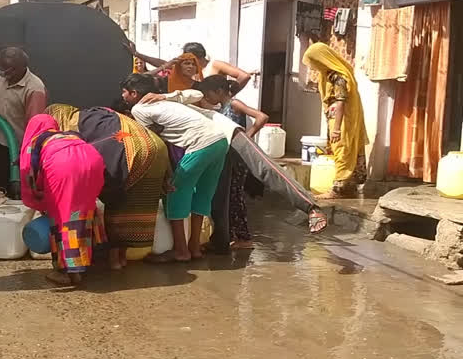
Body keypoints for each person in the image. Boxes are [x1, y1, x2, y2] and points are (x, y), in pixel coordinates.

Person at [141, 86, 328, 242]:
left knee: (265, 169)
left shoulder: (166, 104)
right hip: (211, 144)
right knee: (219, 196)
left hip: (228, 133)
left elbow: (196, 94)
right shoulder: (159, 116)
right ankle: (220, 243)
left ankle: (311, 207)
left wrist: (167, 95)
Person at [46, 103, 170, 270]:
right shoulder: (97, 115)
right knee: (132, 204)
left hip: (131, 150)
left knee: (115, 201)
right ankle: (122, 257)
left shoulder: (73, 123)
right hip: (156, 146)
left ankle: (114, 260)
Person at [121, 74, 228, 262]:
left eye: (124, 92)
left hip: (201, 144)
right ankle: (194, 247)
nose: (123, 96)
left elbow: (155, 144)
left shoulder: (139, 109)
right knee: (202, 195)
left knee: (175, 192)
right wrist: (167, 96)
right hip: (220, 141)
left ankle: (180, 251)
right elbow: (196, 93)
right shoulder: (169, 102)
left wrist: (166, 175)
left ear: (134, 93)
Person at [20, 114, 107, 285]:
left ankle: (67, 272)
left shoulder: (35, 141)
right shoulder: (69, 134)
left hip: (63, 164)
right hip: (93, 161)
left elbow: (29, 172)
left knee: (62, 217)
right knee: (85, 211)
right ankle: (94, 260)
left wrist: (40, 201)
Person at [197, 75, 269, 247]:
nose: (207, 98)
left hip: (237, 156)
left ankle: (243, 238)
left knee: (235, 195)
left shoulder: (234, 104)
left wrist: (247, 138)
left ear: (219, 91)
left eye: (208, 94)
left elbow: (262, 117)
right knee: (228, 195)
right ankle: (230, 235)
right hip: (228, 155)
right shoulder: (221, 109)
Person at [302, 42, 368, 199]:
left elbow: (340, 102)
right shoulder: (328, 75)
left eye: (314, 62)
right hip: (335, 118)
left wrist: (337, 128)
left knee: (342, 149)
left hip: (342, 119)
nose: (313, 66)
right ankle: (349, 188)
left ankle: (337, 190)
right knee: (340, 149)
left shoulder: (338, 77)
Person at [0, 47, 47, 195]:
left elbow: (34, 126)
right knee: (4, 185)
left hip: (22, 147)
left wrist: (27, 156)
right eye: (1, 69)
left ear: (22, 67)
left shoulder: (34, 88)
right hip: (4, 142)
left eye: (8, 71)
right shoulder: (2, 74)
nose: (3, 75)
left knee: (22, 190)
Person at [130, 40, 255, 93]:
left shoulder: (215, 65)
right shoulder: (191, 69)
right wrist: (137, 54)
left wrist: (228, 95)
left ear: (198, 57)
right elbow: (164, 63)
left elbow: (244, 76)